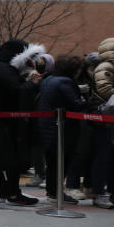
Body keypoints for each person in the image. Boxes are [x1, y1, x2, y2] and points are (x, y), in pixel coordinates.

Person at [0, 40, 41, 206]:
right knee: (10, 159)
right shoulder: (4, 70)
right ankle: (12, 193)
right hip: (7, 122)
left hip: (2, 120)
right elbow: (18, 91)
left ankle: (4, 191)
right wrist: (32, 83)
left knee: (3, 158)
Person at [35, 56, 85, 205]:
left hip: (46, 126)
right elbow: (75, 104)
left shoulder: (48, 80)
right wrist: (85, 100)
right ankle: (56, 193)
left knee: (51, 163)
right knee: (62, 162)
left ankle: (52, 192)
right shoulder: (65, 82)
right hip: (62, 128)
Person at [92, 32, 114, 207]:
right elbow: (104, 89)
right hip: (104, 119)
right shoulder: (106, 67)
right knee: (103, 156)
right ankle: (98, 192)